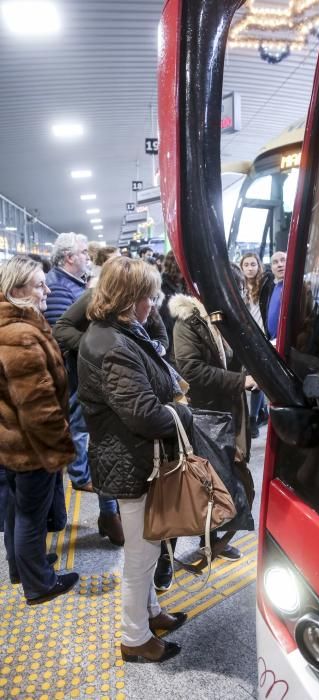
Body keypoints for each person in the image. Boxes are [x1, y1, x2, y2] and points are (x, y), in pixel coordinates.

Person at [77, 256, 188, 663]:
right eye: (148, 295)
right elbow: (142, 414)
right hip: (131, 460)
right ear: (130, 299)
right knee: (142, 555)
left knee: (151, 545)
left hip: (136, 458)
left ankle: (151, 612)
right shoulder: (110, 343)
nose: (154, 303)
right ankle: (135, 637)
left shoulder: (120, 330)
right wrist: (184, 413)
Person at [153, 286, 256, 590]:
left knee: (219, 483)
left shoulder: (224, 319)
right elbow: (192, 369)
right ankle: (164, 559)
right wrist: (241, 381)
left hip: (224, 412)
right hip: (200, 414)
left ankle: (210, 539)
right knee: (188, 486)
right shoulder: (189, 321)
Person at [0, 256, 79, 604]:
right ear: (17, 290)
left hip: (10, 441)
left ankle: (22, 567)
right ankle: (40, 584)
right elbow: (38, 406)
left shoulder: (12, 324)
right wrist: (58, 448)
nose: (47, 289)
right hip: (32, 446)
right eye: (38, 285)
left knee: (16, 509)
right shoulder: (21, 336)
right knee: (32, 515)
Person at [52, 244, 124, 545]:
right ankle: (110, 512)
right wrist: (93, 344)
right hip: (93, 385)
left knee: (115, 450)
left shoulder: (133, 301)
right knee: (102, 447)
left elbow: (157, 333)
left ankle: (113, 512)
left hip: (123, 386)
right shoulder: (93, 297)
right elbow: (61, 328)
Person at [240, 252, 269, 438]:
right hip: (244, 339)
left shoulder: (266, 287)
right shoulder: (238, 287)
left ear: (258, 266)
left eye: (253, 264)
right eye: (246, 265)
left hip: (263, 339)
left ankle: (253, 418)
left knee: (258, 379)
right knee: (248, 379)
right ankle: (261, 410)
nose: (250, 268)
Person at [159, 250, 187, 362]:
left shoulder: (185, 283)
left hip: (182, 335)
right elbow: (165, 315)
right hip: (169, 335)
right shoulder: (162, 284)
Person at [265, 250, 287, 341]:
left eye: (283, 260)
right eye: (275, 262)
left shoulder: (294, 287)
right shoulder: (271, 287)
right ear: (271, 268)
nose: (280, 265)